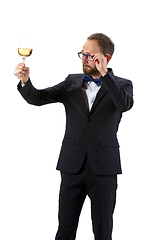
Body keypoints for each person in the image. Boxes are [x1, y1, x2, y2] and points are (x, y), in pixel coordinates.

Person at [14, 33, 134, 240]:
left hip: (104, 168)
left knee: (103, 231)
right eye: (82, 54)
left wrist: (106, 76)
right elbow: (39, 98)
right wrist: (25, 82)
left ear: (107, 58)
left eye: (90, 56)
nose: (84, 59)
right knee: (65, 230)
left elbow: (124, 105)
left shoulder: (122, 84)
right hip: (72, 166)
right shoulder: (72, 82)